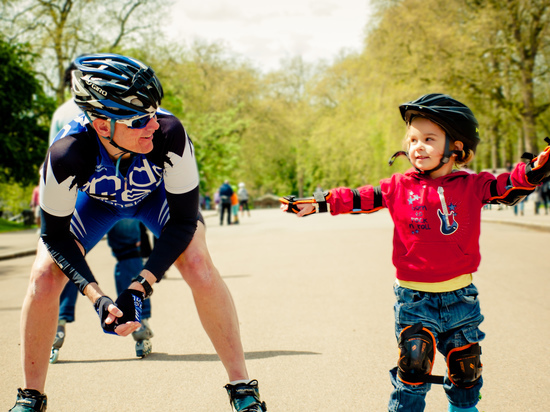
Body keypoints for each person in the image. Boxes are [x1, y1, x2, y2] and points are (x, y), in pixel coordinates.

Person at [10, 53, 266, 412]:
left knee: (197, 261)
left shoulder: (171, 134)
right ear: (102, 126)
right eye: (138, 120)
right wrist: (97, 296)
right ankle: (30, 396)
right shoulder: (67, 154)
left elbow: (183, 222)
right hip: (95, 204)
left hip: (153, 199)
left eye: (152, 113)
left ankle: (242, 386)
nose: (152, 126)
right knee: (42, 276)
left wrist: (140, 284)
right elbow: (54, 237)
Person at [280, 93, 550, 412]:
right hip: (414, 299)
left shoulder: (472, 185)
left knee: (466, 370)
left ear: (457, 147)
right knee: (414, 366)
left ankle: (463, 409)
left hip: (461, 297)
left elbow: (507, 187)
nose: (416, 146)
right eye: (412, 139)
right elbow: (359, 197)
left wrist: (533, 171)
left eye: (428, 139)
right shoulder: (399, 186)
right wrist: (320, 201)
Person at [46, 60, 155, 362]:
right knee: (128, 253)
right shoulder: (118, 102)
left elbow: (54, 159)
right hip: (122, 190)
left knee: (66, 258)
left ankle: (57, 325)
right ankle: (139, 321)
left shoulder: (62, 113)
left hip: (79, 197)